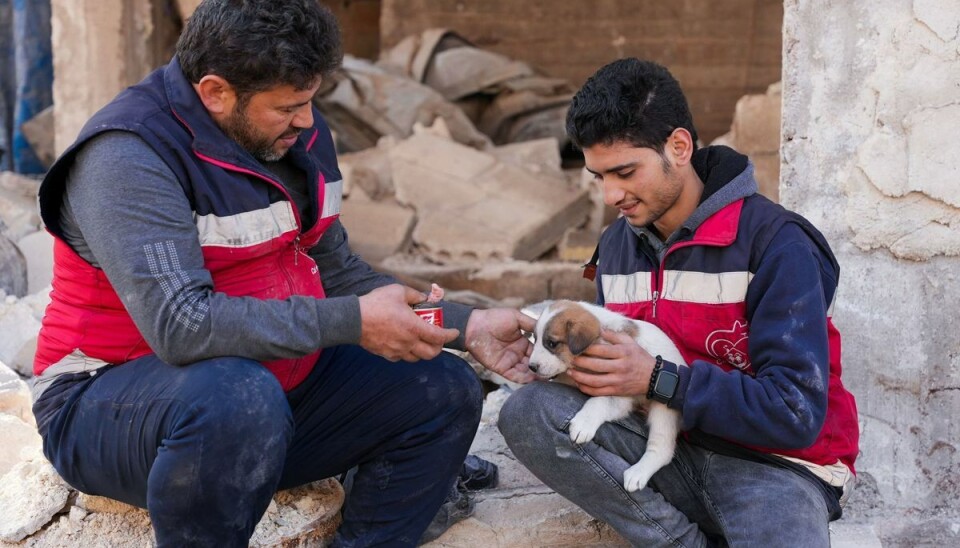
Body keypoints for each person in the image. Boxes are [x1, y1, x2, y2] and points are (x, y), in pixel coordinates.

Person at [30, 1, 535, 546]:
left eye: (310, 100)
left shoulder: (292, 134)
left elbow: (341, 276)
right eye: (289, 106)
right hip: (110, 406)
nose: (307, 120)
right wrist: (350, 321)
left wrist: (468, 324)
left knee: (442, 386)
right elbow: (182, 327)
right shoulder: (128, 157)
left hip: (265, 392)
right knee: (234, 398)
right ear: (216, 92)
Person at [498, 58, 860, 547]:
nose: (610, 195)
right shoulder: (616, 247)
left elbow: (794, 413)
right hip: (659, 447)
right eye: (598, 176)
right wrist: (549, 358)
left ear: (679, 147)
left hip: (775, 469)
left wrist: (657, 378)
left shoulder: (777, 242)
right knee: (528, 412)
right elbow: (610, 380)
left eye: (625, 171)